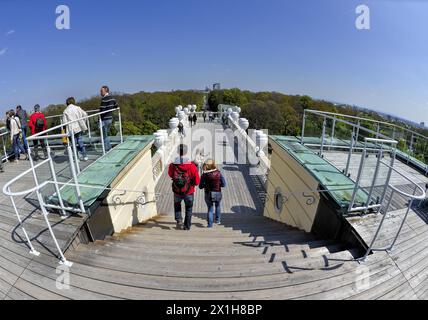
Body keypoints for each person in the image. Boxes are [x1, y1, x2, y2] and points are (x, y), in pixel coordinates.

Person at [168, 144, 200, 230]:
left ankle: (179, 221)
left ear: (178, 152)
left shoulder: (173, 165)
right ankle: (187, 226)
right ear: (186, 152)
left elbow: (170, 174)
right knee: (188, 209)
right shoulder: (192, 166)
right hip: (189, 191)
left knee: (177, 205)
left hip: (177, 190)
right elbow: (197, 181)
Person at [199, 159, 226, 228]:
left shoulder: (204, 175)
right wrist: (218, 184)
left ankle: (210, 225)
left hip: (208, 193)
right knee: (217, 206)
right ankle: (218, 220)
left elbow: (200, 186)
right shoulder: (218, 173)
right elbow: (224, 184)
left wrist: (205, 184)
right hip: (217, 192)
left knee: (210, 209)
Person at [63, 97, 88, 161]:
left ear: (67, 103)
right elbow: (85, 114)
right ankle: (85, 156)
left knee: (73, 144)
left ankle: (77, 158)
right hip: (78, 127)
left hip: (71, 129)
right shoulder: (77, 108)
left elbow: (64, 122)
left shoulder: (65, 111)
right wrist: (83, 121)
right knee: (80, 141)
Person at [100, 86, 118, 152]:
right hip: (110, 118)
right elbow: (116, 105)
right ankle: (108, 148)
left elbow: (102, 110)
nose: (100, 92)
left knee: (104, 135)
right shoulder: (112, 98)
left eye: (101, 91)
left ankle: (108, 149)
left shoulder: (104, 99)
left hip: (105, 119)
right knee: (106, 134)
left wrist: (100, 119)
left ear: (106, 91)